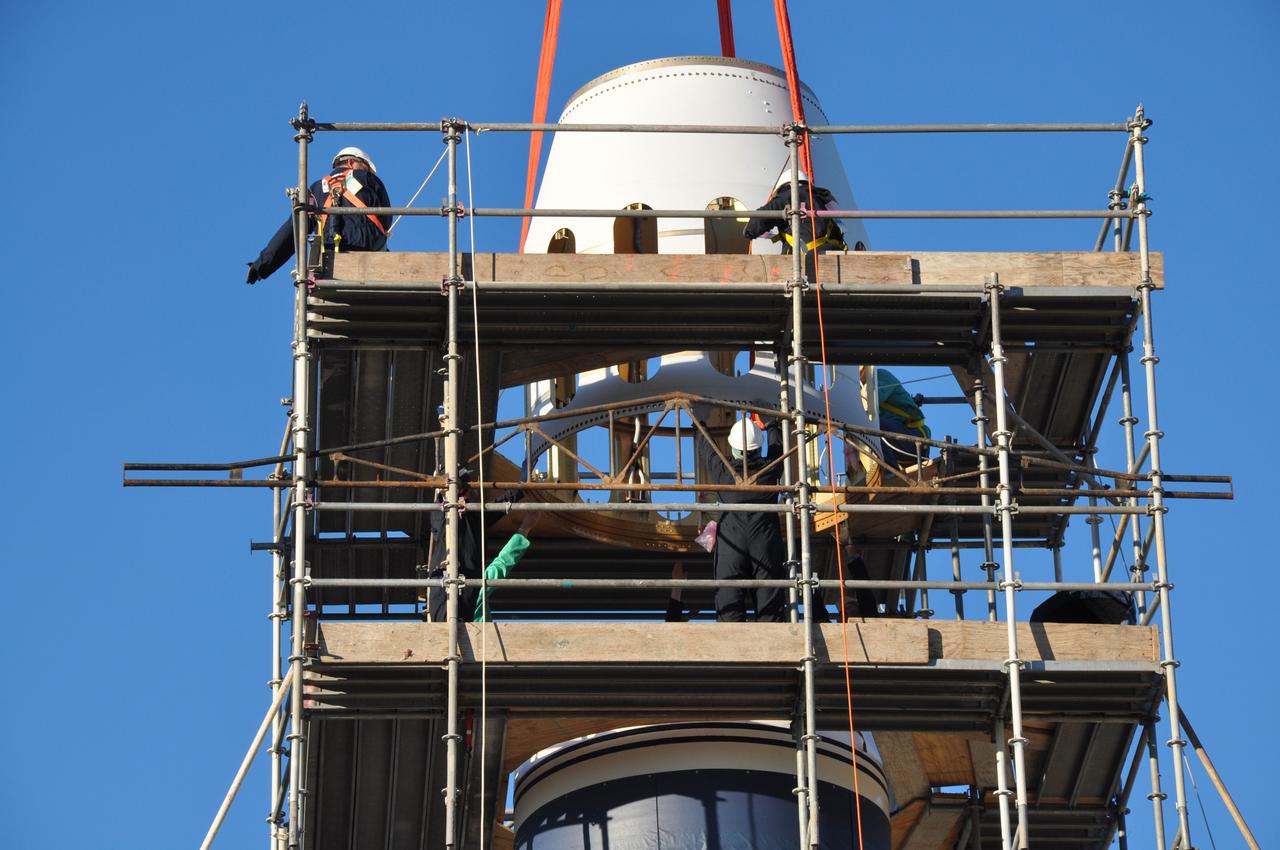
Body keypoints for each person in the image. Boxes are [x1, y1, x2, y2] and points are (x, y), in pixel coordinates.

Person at [245, 146, 392, 284]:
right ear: (351, 162)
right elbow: (386, 220)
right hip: (370, 253)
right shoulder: (368, 179)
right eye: (366, 168)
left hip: (330, 259)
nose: (370, 173)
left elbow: (293, 231)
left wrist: (261, 265)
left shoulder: (316, 189)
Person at [696, 413, 786, 622]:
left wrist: (698, 420)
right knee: (769, 611)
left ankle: (732, 653)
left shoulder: (723, 473)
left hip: (731, 545)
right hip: (765, 543)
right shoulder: (770, 471)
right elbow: (778, 448)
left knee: (729, 609)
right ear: (758, 448)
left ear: (734, 448)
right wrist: (771, 424)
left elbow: (706, 447)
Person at [421, 470, 521, 623]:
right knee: (445, 625)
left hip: (467, 582)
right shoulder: (441, 513)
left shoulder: (477, 515)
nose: (475, 492)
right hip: (443, 578)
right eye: (470, 488)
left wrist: (523, 486)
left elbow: (504, 502)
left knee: (460, 624)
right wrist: (451, 505)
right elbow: (438, 521)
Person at [742, 170, 847, 254]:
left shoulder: (787, 196)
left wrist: (748, 232)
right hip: (834, 253)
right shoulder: (824, 199)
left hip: (804, 254)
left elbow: (760, 218)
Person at [473, 511, 542, 622]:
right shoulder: (472, 590)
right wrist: (525, 527)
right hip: (483, 637)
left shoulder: (439, 597)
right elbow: (502, 564)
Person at [873, 368, 931, 470]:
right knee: (858, 430)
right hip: (900, 447)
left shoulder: (879, 376)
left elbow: (870, 402)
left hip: (915, 439)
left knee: (870, 425)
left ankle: (890, 474)